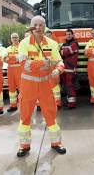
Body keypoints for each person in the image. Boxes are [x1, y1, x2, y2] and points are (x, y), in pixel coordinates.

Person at [17, 15, 66, 157]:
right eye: (35, 25)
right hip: (28, 85)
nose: (38, 28)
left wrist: (57, 70)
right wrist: (42, 64)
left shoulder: (52, 43)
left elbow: (60, 62)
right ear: (31, 27)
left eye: (41, 25)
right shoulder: (24, 43)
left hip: (45, 85)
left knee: (51, 113)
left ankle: (56, 143)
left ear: (45, 27)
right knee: (25, 115)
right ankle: (24, 146)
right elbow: (23, 65)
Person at [60, 29, 79, 109]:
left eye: (70, 34)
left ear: (72, 35)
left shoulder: (74, 43)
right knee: (67, 86)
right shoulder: (65, 44)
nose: (68, 36)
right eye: (67, 34)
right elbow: (60, 53)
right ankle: (69, 101)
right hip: (65, 68)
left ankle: (72, 104)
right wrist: (62, 52)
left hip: (70, 68)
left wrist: (63, 51)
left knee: (70, 85)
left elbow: (64, 52)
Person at [4, 33, 21, 112]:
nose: (14, 39)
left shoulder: (21, 47)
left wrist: (10, 58)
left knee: (22, 89)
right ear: (11, 39)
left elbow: (21, 58)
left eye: (16, 37)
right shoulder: (8, 49)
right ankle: (13, 105)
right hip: (10, 71)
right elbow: (4, 59)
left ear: (18, 38)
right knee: (11, 89)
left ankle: (23, 105)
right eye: (13, 37)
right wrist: (15, 59)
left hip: (19, 70)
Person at [46, 30, 62, 108]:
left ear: (52, 36)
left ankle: (57, 103)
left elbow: (56, 56)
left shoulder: (55, 44)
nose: (48, 37)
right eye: (47, 35)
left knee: (55, 85)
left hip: (53, 66)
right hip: (45, 67)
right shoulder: (42, 44)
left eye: (49, 35)